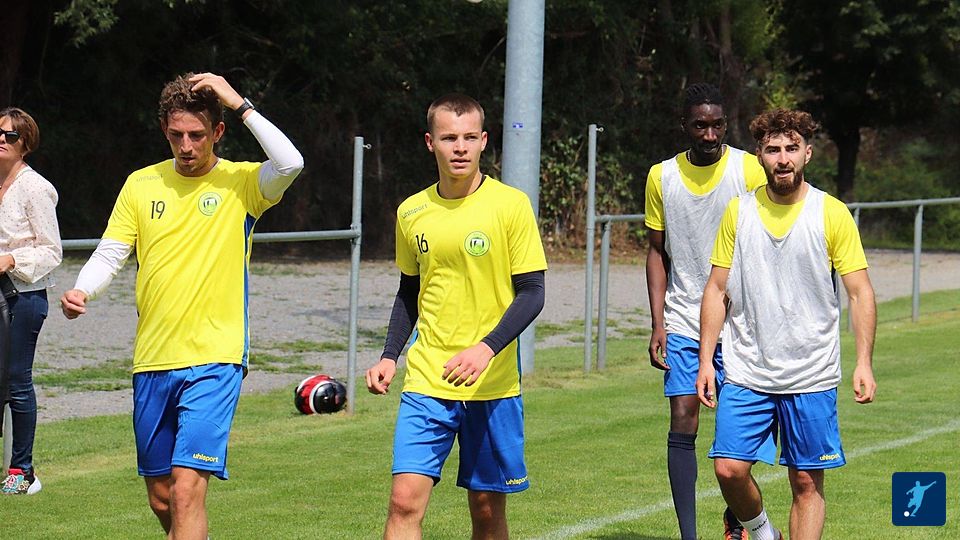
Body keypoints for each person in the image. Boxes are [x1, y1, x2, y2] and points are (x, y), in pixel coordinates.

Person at [59, 72, 303, 538]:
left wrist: (238, 102)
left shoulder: (243, 183)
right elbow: (112, 251)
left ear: (218, 131)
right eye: (176, 135)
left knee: (188, 490)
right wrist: (82, 290)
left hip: (216, 356)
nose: (186, 146)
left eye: (197, 134)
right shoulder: (141, 183)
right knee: (162, 496)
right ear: (164, 131)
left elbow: (291, 162)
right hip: (153, 358)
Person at [365, 93, 547, 539]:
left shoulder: (511, 205)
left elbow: (532, 293)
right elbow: (410, 292)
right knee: (403, 501)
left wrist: (486, 348)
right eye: (449, 138)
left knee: (485, 510)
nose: (460, 147)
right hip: (427, 378)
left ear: (484, 140)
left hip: (492, 383)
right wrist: (390, 355)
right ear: (431, 143)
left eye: (468, 137)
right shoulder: (411, 211)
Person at [696, 108, 877, 540]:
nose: (783, 159)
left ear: (807, 154)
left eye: (791, 148)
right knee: (729, 469)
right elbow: (716, 290)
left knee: (806, 482)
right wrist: (705, 361)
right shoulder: (738, 212)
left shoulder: (830, 213)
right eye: (773, 149)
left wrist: (864, 362)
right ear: (759, 155)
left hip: (811, 373)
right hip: (747, 370)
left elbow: (860, 292)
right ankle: (763, 534)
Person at [643, 83, 768, 540]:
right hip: (683, 318)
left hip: (741, 323)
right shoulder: (661, 176)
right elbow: (656, 252)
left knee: (738, 431)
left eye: (717, 125)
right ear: (685, 126)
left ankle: (737, 518)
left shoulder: (749, 169)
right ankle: (689, 535)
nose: (710, 134)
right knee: (683, 414)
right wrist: (657, 322)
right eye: (700, 125)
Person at [0, 107, 63, 495]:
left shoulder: (35, 188)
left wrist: (10, 260)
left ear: (25, 144)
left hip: (22, 298)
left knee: (16, 382)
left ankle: (22, 472)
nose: (1, 140)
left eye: (9, 136)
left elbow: (52, 251)